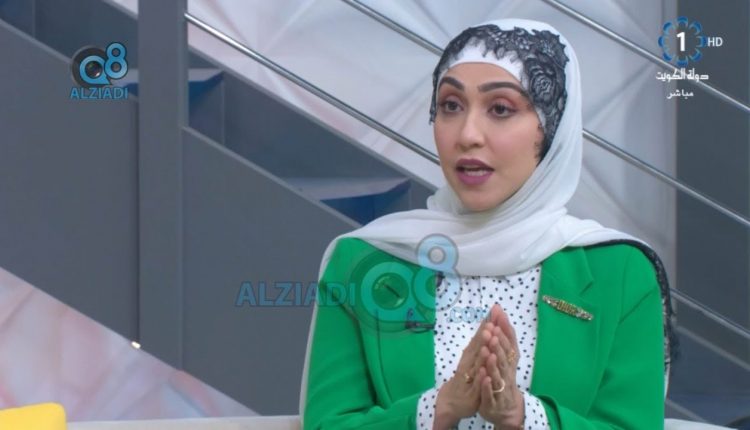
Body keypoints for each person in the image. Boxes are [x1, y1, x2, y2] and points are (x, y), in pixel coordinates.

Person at [299, 18, 676, 430]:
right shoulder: (364, 260)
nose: (468, 134)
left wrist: (524, 417)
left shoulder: (621, 271)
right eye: (451, 106)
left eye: (500, 109)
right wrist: (438, 409)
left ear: (552, 129)